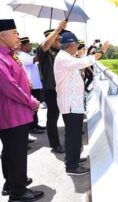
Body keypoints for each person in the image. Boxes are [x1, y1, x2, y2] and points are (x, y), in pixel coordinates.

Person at [0, 19, 44, 201]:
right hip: (12, 114)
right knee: (17, 153)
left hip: (16, 113)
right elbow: (10, 87)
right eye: (15, 33)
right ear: (2, 36)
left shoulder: (10, 55)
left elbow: (17, 81)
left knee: (11, 152)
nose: (18, 36)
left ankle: (12, 183)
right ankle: (19, 192)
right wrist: (32, 101)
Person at [54, 31, 109, 175]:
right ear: (71, 45)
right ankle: (72, 166)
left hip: (72, 103)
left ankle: (73, 159)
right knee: (73, 135)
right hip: (70, 104)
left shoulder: (66, 57)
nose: (78, 48)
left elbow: (80, 64)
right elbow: (85, 61)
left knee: (73, 134)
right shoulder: (64, 58)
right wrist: (101, 51)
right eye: (77, 45)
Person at [36, 21, 67, 154]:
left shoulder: (61, 52)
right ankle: (55, 145)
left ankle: (71, 142)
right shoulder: (44, 52)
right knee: (53, 118)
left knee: (66, 115)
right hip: (51, 90)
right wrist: (58, 29)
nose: (59, 40)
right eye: (57, 38)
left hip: (63, 89)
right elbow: (45, 45)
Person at [18, 37, 46, 134]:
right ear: (24, 46)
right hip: (30, 86)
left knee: (36, 107)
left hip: (35, 86)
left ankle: (35, 124)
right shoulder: (22, 55)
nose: (30, 46)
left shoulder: (27, 54)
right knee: (32, 108)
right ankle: (32, 127)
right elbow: (36, 58)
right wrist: (43, 47)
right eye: (29, 44)